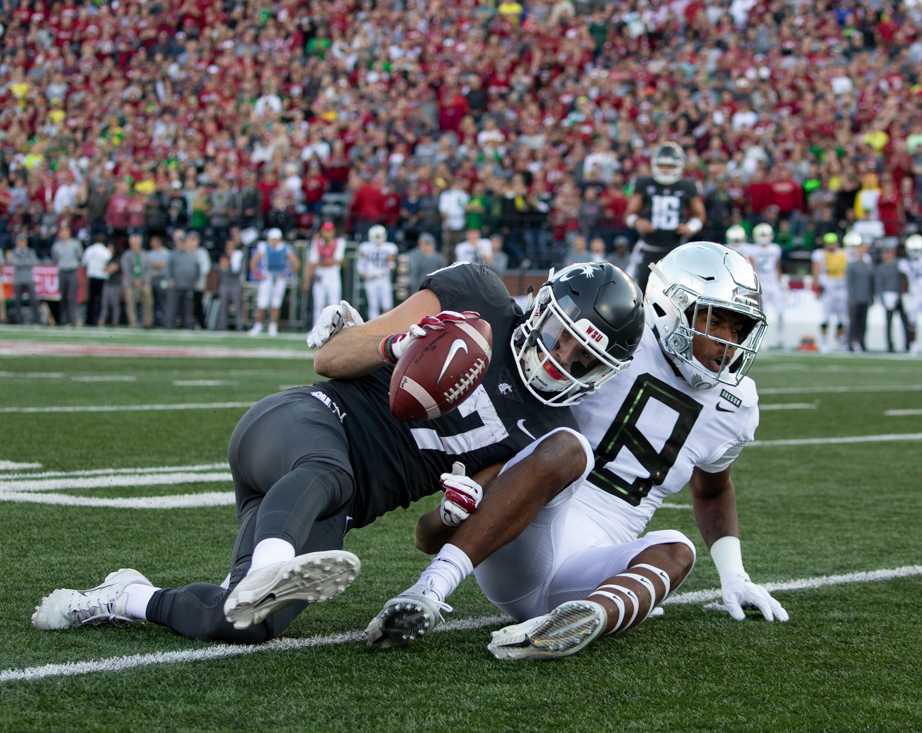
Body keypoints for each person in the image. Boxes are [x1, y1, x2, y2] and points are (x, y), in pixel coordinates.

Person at [32, 262, 644, 646]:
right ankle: (270, 565)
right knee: (326, 472)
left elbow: (429, 537)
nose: (564, 359)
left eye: (585, 359)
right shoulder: (479, 297)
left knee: (242, 624)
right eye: (564, 337)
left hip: (332, 505)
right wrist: (401, 344)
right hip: (301, 426)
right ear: (543, 307)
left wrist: (454, 514)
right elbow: (330, 357)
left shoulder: (545, 429)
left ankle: (123, 598)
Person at [397, 242, 787, 660]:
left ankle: (583, 620)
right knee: (569, 449)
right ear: (671, 305)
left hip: (588, 571)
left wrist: (734, 575)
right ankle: (430, 588)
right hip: (518, 526)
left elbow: (712, 490)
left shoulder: (736, 404)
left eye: (739, 328)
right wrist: (386, 341)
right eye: (717, 322)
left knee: (678, 549)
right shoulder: (615, 337)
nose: (727, 342)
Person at [625, 142, 706, 293]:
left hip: (676, 249)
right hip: (648, 249)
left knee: (678, 292)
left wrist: (690, 227)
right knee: (638, 291)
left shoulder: (687, 186)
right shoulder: (644, 183)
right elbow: (629, 214)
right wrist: (637, 222)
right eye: (662, 165)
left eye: (670, 166)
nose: (666, 170)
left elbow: (700, 215)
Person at [249, 228, 299, 336]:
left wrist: (287, 273)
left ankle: (273, 326)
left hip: (280, 279)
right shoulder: (263, 247)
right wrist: (258, 274)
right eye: (272, 239)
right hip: (267, 277)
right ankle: (258, 326)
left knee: (276, 303)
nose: (274, 242)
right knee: (262, 302)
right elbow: (253, 262)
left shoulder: (286, 248)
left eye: (276, 239)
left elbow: (295, 263)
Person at [748, 223, 785, 350]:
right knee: (761, 314)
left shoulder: (775, 248)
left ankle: (780, 339)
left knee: (780, 311)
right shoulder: (751, 249)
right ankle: (760, 340)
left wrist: (780, 282)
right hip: (761, 284)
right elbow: (751, 269)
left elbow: (777, 266)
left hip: (773, 284)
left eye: (766, 235)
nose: (764, 237)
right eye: (762, 235)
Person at [811, 232, 849, 352]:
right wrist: (816, 288)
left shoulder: (843, 254)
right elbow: (816, 272)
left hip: (841, 289)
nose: (830, 246)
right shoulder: (819, 254)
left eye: (832, 243)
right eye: (828, 243)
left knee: (842, 319)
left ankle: (840, 341)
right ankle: (824, 342)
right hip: (827, 289)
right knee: (825, 318)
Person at [305, 221, 346, 327]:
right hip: (320, 274)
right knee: (319, 303)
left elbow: (337, 261)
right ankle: (317, 328)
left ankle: (334, 328)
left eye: (329, 231)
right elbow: (312, 262)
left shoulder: (339, 242)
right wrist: (307, 279)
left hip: (333, 274)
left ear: (333, 231)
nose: (327, 233)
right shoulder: (316, 243)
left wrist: (321, 261)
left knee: (334, 303)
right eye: (325, 230)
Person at [356, 225, 398, 320]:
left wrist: (388, 263)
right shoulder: (365, 247)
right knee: (373, 305)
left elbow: (392, 265)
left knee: (387, 305)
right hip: (371, 280)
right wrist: (362, 272)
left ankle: (387, 327)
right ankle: (373, 329)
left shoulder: (390, 247)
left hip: (383, 279)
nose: (378, 239)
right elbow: (361, 263)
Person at [874, 245, 910, 353]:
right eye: (885, 253)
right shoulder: (880, 268)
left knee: (905, 322)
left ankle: (908, 344)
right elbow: (879, 285)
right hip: (888, 297)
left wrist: (904, 294)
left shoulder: (899, 265)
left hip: (899, 297)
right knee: (889, 323)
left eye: (888, 253)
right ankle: (890, 345)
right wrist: (882, 298)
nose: (887, 255)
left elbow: (905, 278)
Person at [164, 232, 199, 330]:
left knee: (188, 308)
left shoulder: (192, 255)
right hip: (175, 285)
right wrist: (170, 279)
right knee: (172, 306)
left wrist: (195, 280)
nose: (182, 244)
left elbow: (197, 269)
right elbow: (168, 268)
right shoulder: (173, 254)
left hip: (188, 285)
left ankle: (188, 326)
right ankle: (169, 325)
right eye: (180, 242)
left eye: (184, 242)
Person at [51, 223, 82, 326]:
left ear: (69, 232)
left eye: (66, 231)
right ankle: (63, 320)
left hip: (72, 271)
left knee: (72, 297)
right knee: (63, 296)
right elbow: (55, 259)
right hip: (62, 271)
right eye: (62, 231)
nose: (64, 233)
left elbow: (79, 257)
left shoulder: (75, 244)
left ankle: (73, 320)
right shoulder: (56, 246)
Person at [120, 234, 153, 328]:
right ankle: (133, 322)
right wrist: (133, 280)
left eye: (136, 243)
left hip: (143, 282)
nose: (135, 245)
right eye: (133, 243)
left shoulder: (145, 255)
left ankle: (147, 322)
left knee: (147, 294)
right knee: (129, 297)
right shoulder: (126, 255)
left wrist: (141, 280)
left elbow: (148, 270)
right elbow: (126, 270)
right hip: (130, 283)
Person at [845, 240, 874, 352]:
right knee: (853, 322)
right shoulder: (852, 265)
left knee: (863, 322)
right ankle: (850, 342)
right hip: (855, 298)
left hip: (865, 297)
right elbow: (849, 283)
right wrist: (852, 297)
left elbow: (871, 283)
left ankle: (862, 342)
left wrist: (871, 297)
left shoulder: (868, 265)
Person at [214, 235, 246, 331]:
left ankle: (240, 326)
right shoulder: (223, 256)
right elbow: (219, 269)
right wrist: (224, 266)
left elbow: (239, 271)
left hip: (235, 284)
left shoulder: (238, 255)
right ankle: (222, 327)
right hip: (224, 284)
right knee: (223, 306)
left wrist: (229, 265)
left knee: (238, 306)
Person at [8, 233, 39, 324]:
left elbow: (34, 262)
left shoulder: (30, 251)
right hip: (18, 279)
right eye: (20, 241)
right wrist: (26, 262)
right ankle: (18, 320)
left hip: (29, 278)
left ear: (26, 242)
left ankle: (36, 319)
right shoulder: (14, 252)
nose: (22, 243)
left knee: (33, 300)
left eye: (23, 241)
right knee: (17, 300)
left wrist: (22, 262)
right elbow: (14, 262)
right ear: (17, 242)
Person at [82, 239, 112, 326]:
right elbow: (109, 260)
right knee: (100, 300)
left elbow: (84, 263)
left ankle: (89, 320)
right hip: (101, 277)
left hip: (91, 276)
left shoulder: (90, 249)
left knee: (91, 300)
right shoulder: (105, 250)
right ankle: (97, 320)